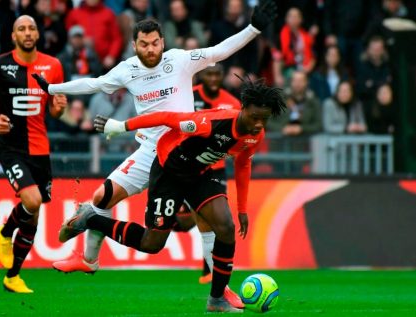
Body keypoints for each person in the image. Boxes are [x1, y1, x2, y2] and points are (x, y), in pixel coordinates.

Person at [32, 0, 277, 307]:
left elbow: (219, 51)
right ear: (134, 45)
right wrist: (53, 90)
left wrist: (253, 28)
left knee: (213, 222)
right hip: (153, 149)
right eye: (144, 44)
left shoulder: (180, 60)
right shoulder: (126, 70)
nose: (151, 49)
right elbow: (93, 84)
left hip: (192, 143)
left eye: (155, 43)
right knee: (102, 198)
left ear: (163, 41)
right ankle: (89, 260)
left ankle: (221, 291)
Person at [63, 77, 286, 312]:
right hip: (168, 171)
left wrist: (242, 210)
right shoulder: (211, 122)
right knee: (152, 243)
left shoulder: (254, 135)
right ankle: (91, 218)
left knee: (226, 227)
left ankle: (217, 299)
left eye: (264, 119)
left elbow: (242, 165)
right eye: (254, 117)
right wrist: (121, 126)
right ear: (243, 110)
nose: (259, 124)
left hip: (199, 174)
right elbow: (166, 118)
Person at [0, 15, 67, 293]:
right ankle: (4, 231)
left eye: (32, 28)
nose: (27, 32)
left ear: (38, 34)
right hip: (10, 146)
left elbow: (54, 109)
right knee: (33, 200)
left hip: (40, 147)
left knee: (33, 217)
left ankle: (12, 276)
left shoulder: (54, 66)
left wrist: (59, 109)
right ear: (13, 36)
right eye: (22, 29)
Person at [186, 63, 242, 285]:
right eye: (209, 74)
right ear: (202, 75)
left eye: (217, 74)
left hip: (215, 170)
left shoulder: (232, 102)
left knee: (218, 221)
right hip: (187, 167)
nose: (213, 78)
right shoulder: (189, 97)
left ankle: (208, 271)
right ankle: (208, 269)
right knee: (185, 222)